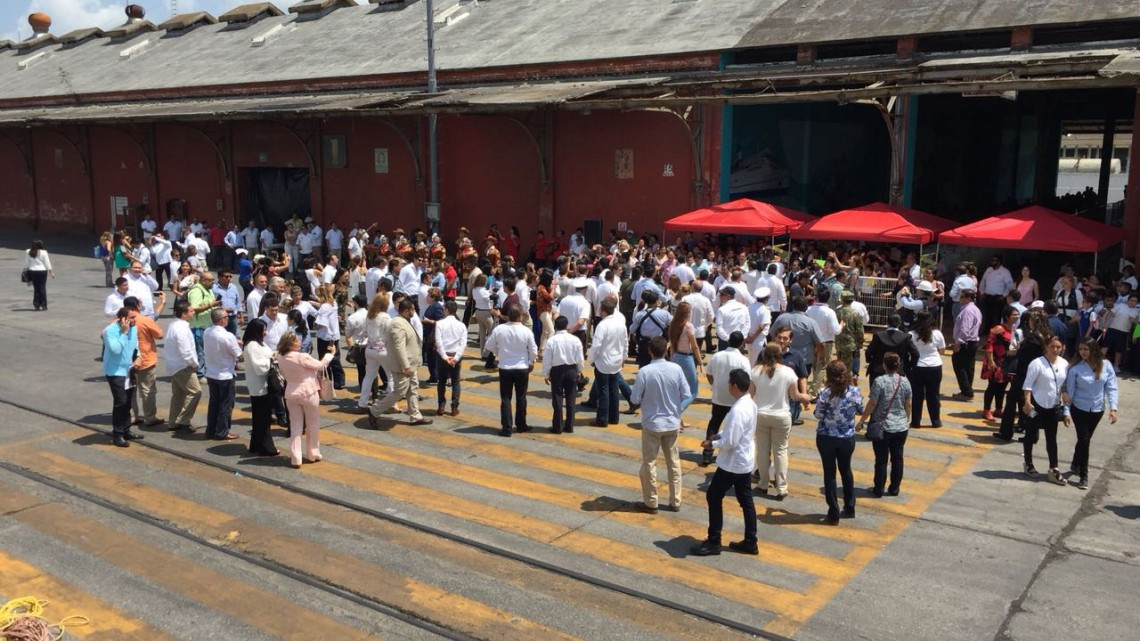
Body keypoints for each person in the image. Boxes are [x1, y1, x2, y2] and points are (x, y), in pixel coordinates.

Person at [691, 368, 759, 556]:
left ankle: (714, 540)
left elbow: (730, 442)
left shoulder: (738, 410)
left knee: (713, 496)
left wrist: (712, 443)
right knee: (746, 501)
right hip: (743, 461)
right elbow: (734, 433)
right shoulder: (750, 404)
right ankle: (751, 540)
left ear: (735, 386)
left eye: (730, 384)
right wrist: (719, 435)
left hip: (732, 463)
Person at [631, 337, 690, 514]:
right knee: (674, 462)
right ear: (666, 350)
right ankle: (675, 501)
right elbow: (686, 394)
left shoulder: (645, 372)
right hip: (672, 423)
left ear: (650, 351)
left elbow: (634, 398)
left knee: (649, 463)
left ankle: (651, 502)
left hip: (652, 424)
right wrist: (676, 410)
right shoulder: (676, 369)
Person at [751, 343, 811, 500]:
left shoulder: (755, 371)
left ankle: (763, 484)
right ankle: (782, 488)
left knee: (762, 451)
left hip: (761, 415)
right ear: (780, 355)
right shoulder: (788, 372)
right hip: (781, 416)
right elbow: (794, 396)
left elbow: (750, 395)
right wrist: (805, 397)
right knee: (781, 451)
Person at [1063, 337, 1119, 490]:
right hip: (1079, 408)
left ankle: (1075, 464)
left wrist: (1113, 408)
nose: (1083, 352)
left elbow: (1111, 387)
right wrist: (1066, 412)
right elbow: (1070, 393)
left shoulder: (1105, 365)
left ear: (1093, 349)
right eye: (1080, 349)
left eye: (1085, 349)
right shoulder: (1075, 369)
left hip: (1097, 409)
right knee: (1084, 439)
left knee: (1084, 440)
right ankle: (1084, 475)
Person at [857, 352, 913, 497]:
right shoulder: (905, 381)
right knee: (898, 458)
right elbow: (908, 404)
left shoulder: (879, 381)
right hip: (901, 427)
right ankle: (894, 488)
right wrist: (907, 419)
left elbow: (872, 403)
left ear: (884, 365)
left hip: (883, 426)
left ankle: (879, 489)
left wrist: (862, 420)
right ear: (898, 364)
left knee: (881, 460)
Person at [370, 299, 433, 426]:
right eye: (412, 309)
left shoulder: (405, 321)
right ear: (406, 310)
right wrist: (406, 366)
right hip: (403, 366)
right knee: (400, 391)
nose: (414, 312)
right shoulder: (397, 324)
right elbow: (399, 347)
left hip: (411, 365)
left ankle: (415, 416)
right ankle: (374, 410)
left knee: (413, 390)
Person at [277, 332, 335, 468]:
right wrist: (330, 354)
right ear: (291, 344)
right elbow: (321, 365)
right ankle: (313, 453)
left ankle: (296, 458)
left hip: (291, 393)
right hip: (308, 392)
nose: (300, 342)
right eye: (297, 341)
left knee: (295, 427)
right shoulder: (301, 356)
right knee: (312, 424)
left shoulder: (280, 357)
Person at [814, 360, 862, 525]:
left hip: (826, 437)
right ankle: (850, 507)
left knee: (829, 473)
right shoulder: (854, 392)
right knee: (846, 471)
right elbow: (861, 409)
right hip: (846, 438)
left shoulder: (825, 393)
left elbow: (818, 414)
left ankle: (833, 512)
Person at [995, 310, 1051, 442]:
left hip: (1025, 374)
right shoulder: (1047, 335)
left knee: (1011, 402)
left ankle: (1006, 431)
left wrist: (1018, 350)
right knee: (1029, 404)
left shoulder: (1033, 338)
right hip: (1037, 374)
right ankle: (1032, 433)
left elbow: (1024, 355)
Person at [1021, 334, 1069, 483]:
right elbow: (1028, 385)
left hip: (1053, 405)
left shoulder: (1064, 364)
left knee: (1051, 438)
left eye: (1058, 347)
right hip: (1036, 404)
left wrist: (1065, 401)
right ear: (1046, 347)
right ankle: (1028, 463)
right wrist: (1027, 403)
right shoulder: (1037, 363)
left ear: (1063, 348)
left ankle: (1053, 468)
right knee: (1030, 435)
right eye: (1052, 347)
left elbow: (1064, 385)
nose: (1055, 350)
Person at [486, 304, 538, 437]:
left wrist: (499, 352)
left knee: (506, 398)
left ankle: (507, 428)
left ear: (509, 316)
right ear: (520, 317)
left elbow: (488, 345)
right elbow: (533, 350)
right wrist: (531, 362)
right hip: (522, 368)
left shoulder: (500, 329)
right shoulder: (526, 331)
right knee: (521, 397)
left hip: (505, 368)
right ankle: (521, 425)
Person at [700, 331, 750, 466]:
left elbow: (709, 374)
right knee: (733, 427)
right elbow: (747, 381)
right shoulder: (743, 360)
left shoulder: (717, 356)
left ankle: (707, 453)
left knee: (714, 424)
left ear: (728, 341)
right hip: (735, 399)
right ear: (741, 344)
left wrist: (715, 385)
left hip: (718, 398)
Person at [122, 296, 164, 428]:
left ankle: (132, 416)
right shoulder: (145, 320)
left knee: (130, 390)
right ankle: (149, 417)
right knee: (148, 390)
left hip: (127, 361)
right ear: (137, 306)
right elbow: (159, 335)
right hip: (146, 359)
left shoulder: (120, 321)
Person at [103, 308, 142, 447]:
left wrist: (138, 357)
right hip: (115, 371)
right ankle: (117, 433)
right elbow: (116, 350)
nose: (134, 320)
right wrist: (124, 333)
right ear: (122, 318)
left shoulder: (134, 328)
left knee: (128, 402)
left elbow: (136, 346)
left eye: (135, 317)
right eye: (131, 318)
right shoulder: (110, 331)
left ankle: (126, 430)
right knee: (121, 402)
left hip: (129, 370)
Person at [588, 298, 629, 427]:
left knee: (603, 391)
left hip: (603, 362)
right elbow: (625, 342)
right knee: (614, 390)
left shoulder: (602, 325)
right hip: (616, 361)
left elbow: (596, 345)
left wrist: (591, 359)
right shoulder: (620, 324)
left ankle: (602, 418)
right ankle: (614, 417)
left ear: (603, 311)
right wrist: (624, 357)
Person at [203, 308, 243, 440]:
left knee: (214, 403)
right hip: (225, 374)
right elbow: (238, 354)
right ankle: (222, 431)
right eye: (226, 316)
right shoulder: (227, 336)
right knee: (226, 404)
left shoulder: (207, 331)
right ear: (221, 320)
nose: (228, 318)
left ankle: (211, 430)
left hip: (211, 373)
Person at [242, 319, 278, 456]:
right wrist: (271, 360)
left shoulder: (258, 344)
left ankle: (256, 445)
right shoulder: (252, 345)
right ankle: (266, 447)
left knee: (260, 418)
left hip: (263, 385)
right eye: (264, 329)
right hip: (259, 386)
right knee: (263, 419)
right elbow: (259, 367)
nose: (266, 332)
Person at [164, 301, 202, 433]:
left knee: (179, 394)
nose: (193, 312)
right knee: (195, 392)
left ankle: (173, 421)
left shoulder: (174, 324)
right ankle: (184, 420)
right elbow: (185, 350)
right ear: (184, 314)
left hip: (174, 365)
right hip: (182, 366)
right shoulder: (181, 328)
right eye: (191, 311)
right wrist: (194, 364)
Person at [543, 316, 584, 434]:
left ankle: (557, 426)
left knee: (557, 398)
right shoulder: (575, 340)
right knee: (571, 398)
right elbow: (580, 358)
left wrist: (546, 374)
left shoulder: (552, 340)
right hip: (571, 370)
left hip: (557, 371)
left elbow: (547, 359)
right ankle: (570, 426)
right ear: (567, 326)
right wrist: (579, 371)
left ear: (555, 326)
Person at [982, 306, 1021, 422]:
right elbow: (989, 345)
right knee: (993, 387)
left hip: (1007, 362)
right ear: (1006, 316)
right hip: (996, 361)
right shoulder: (998, 329)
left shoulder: (1014, 329)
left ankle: (998, 409)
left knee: (1003, 386)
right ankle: (986, 410)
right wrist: (991, 361)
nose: (1017, 317)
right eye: (1014, 315)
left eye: (1018, 315)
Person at [909, 311, 946, 428]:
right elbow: (942, 351)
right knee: (933, 395)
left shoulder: (911, 334)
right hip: (935, 366)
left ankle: (916, 421)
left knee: (917, 395)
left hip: (918, 366)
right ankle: (936, 421)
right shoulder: (937, 334)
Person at [667, 301, 703, 415]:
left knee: (678, 389)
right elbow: (695, 346)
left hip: (676, 356)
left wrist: (672, 358)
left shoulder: (673, 324)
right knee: (693, 391)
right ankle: (677, 412)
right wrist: (701, 363)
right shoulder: (688, 326)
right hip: (686, 358)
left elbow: (672, 344)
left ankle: (678, 420)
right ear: (687, 313)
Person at [359, 292, 392, 412]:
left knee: (369, 376)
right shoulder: (385, 317)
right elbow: (390, 334)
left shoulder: (370, 315)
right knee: (391, 376)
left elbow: (363, 334)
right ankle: (391, 403)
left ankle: (362, 403)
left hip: (370, 349)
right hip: (383, 350)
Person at [433, 300, 467, 416]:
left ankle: (441, 405)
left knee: (441, 381)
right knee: (456, 381)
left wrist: (444, 356)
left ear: (447, 310)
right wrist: (456, 358)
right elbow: (463, 344)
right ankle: (454, 407)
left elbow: (438, 341)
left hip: (443, 355)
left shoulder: (440, 324)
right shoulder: (461, 325)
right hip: (455, 355)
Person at [187, 271, 222, 378]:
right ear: (203, 280)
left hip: (208, 326)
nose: (213, 283)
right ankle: (200, 374)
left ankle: (206, 371)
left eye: (213, 280)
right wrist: (211, 304)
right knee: (200, 352)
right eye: (211, 280)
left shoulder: (208, 290)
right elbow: (194, 308)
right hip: (199, 327)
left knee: (207, 351)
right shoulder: (196, 291)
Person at [950, 290, 981, 401]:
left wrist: (958, 342)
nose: (960, 299)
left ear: (968, 298)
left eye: (962, 297)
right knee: (968, 367)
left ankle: (967, 391)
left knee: (959, 365)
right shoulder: (975, 309)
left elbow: (965, 329)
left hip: (966, 342)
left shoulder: (967, 310)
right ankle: (967, 390)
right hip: (972, 342)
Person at [313, 284, 346, 390]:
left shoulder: (324, 307)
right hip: (334, 335)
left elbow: (321, 322)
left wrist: (315, 326)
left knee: (324, 359)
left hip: (325, 336)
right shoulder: (333, 303)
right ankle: (339, 381)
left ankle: (327, 380)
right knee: (335, 358)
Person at [979, 254, 1015, 332]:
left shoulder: (1005, 272)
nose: (992, 262)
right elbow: (983, 281)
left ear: (999, 262)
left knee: (997, 316)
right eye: (992, 260)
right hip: (988, 296)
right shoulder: (989, 270)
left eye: (994, 261)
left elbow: (1009, 285)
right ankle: (986, 331)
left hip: (998, 298)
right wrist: (982, 292)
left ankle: (997, 332)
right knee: (987, 315)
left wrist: (1004, 295)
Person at [834, 290, 864, 377]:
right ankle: (845, 384)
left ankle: (839, 381)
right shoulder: (855, 313)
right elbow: (859, 329)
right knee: (847, 368)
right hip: (850, 344)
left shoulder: (837, 311)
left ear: (842, 299)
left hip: (839, 342)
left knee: (839, 364)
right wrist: (861, 341)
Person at [714, 287, 751, 351]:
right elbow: (747, 324)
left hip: (725, 342)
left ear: (728, 296)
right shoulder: (744, 307)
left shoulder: (721, 310)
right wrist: (741, 337)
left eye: (722, 294)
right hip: (739, 341)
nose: (720, 296)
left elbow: (719, 328)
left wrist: (728, 339)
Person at [24, 240, 53, 311]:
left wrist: (24, 270)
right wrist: (51, 272)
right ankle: (44, 305)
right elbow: (47, 262)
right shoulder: (44, 252)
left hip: (32, 271)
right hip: (42, 271)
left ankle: (36, 305)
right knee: (42, 288)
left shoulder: (28, 251)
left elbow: (27, 262)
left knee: (36, 288)